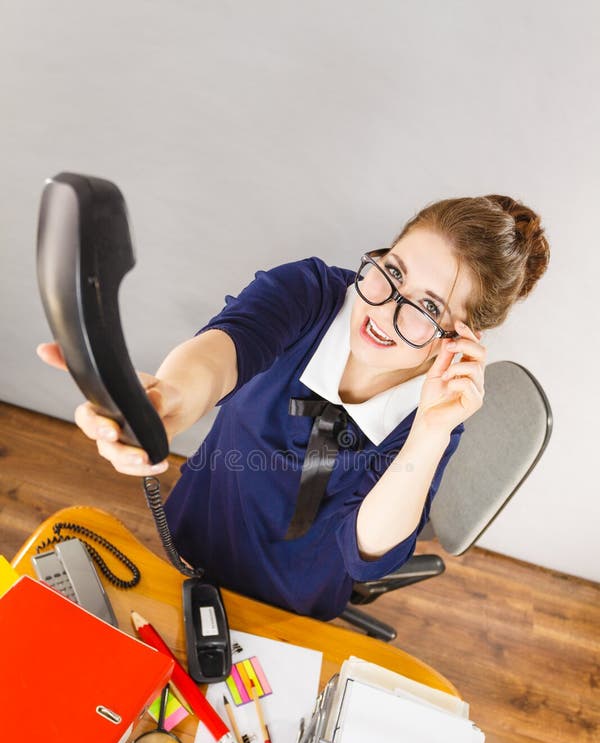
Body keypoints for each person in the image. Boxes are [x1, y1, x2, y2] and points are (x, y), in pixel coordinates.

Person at [38, 194, 549, 621]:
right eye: (392, 271)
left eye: (428, 307)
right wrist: (168, 397)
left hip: (292, 602)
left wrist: (431, 432)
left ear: (459, 339)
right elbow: (221, 353)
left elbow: (367, 553)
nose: (385, 307)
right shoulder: (306, 293)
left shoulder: (434, 412)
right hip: (199, 536)